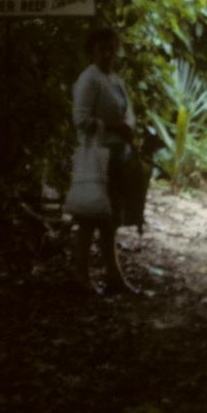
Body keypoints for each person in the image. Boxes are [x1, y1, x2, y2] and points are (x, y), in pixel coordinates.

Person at [70, 27, 138, 295]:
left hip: (117, 156)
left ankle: (113, 275)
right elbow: (80, 120)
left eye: (113, 48)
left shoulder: (114, 80)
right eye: (103, 48)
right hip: (97, 156)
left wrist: (127, 128)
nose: (109, 53)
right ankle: (80, 275)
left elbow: (127, 113)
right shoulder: (88, 79)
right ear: (92, 50)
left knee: (110, 219)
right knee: (89, 217)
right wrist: (112, 127)